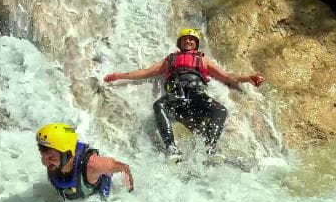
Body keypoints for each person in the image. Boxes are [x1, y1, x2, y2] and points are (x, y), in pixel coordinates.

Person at [103, 29, 265, 160]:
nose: (188, 41)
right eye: (185, 39)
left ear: (196, 44)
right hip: (176, 96)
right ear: (179, 43)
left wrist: (248, 78)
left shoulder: (203, 60)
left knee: (221, 110)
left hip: (197, 96)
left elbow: (227, 77)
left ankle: (210, 147)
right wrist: (120, 76)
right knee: (158, 105)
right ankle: (171, 148)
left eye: (192, 39)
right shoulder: (170, 60)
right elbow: (146, 72)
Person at [36, 123, 134, 201]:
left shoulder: (93, 165)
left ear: (67, 154)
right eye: (43, 157)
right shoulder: (54, 160)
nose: (45, 162)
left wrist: (129, 191)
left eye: (51, 158)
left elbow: (124, 168)